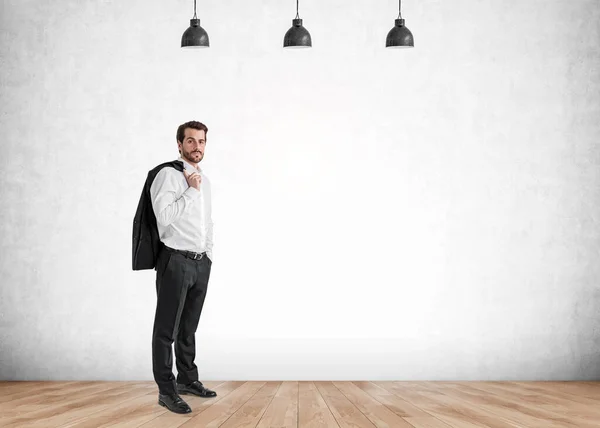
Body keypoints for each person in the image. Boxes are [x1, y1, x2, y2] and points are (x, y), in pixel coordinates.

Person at [149, 121, 217, 414]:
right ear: (179, 144)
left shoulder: (205, 179)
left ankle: (188, 379)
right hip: (175, 260)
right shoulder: (168, 175)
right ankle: (166, 391)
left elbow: (206, 222)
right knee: (167, 330)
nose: (196, 146)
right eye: (190, 141)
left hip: (201, 262)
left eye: (201, 141)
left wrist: (209, 254)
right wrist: (189, 191)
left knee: (189, 328)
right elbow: (163, 216)